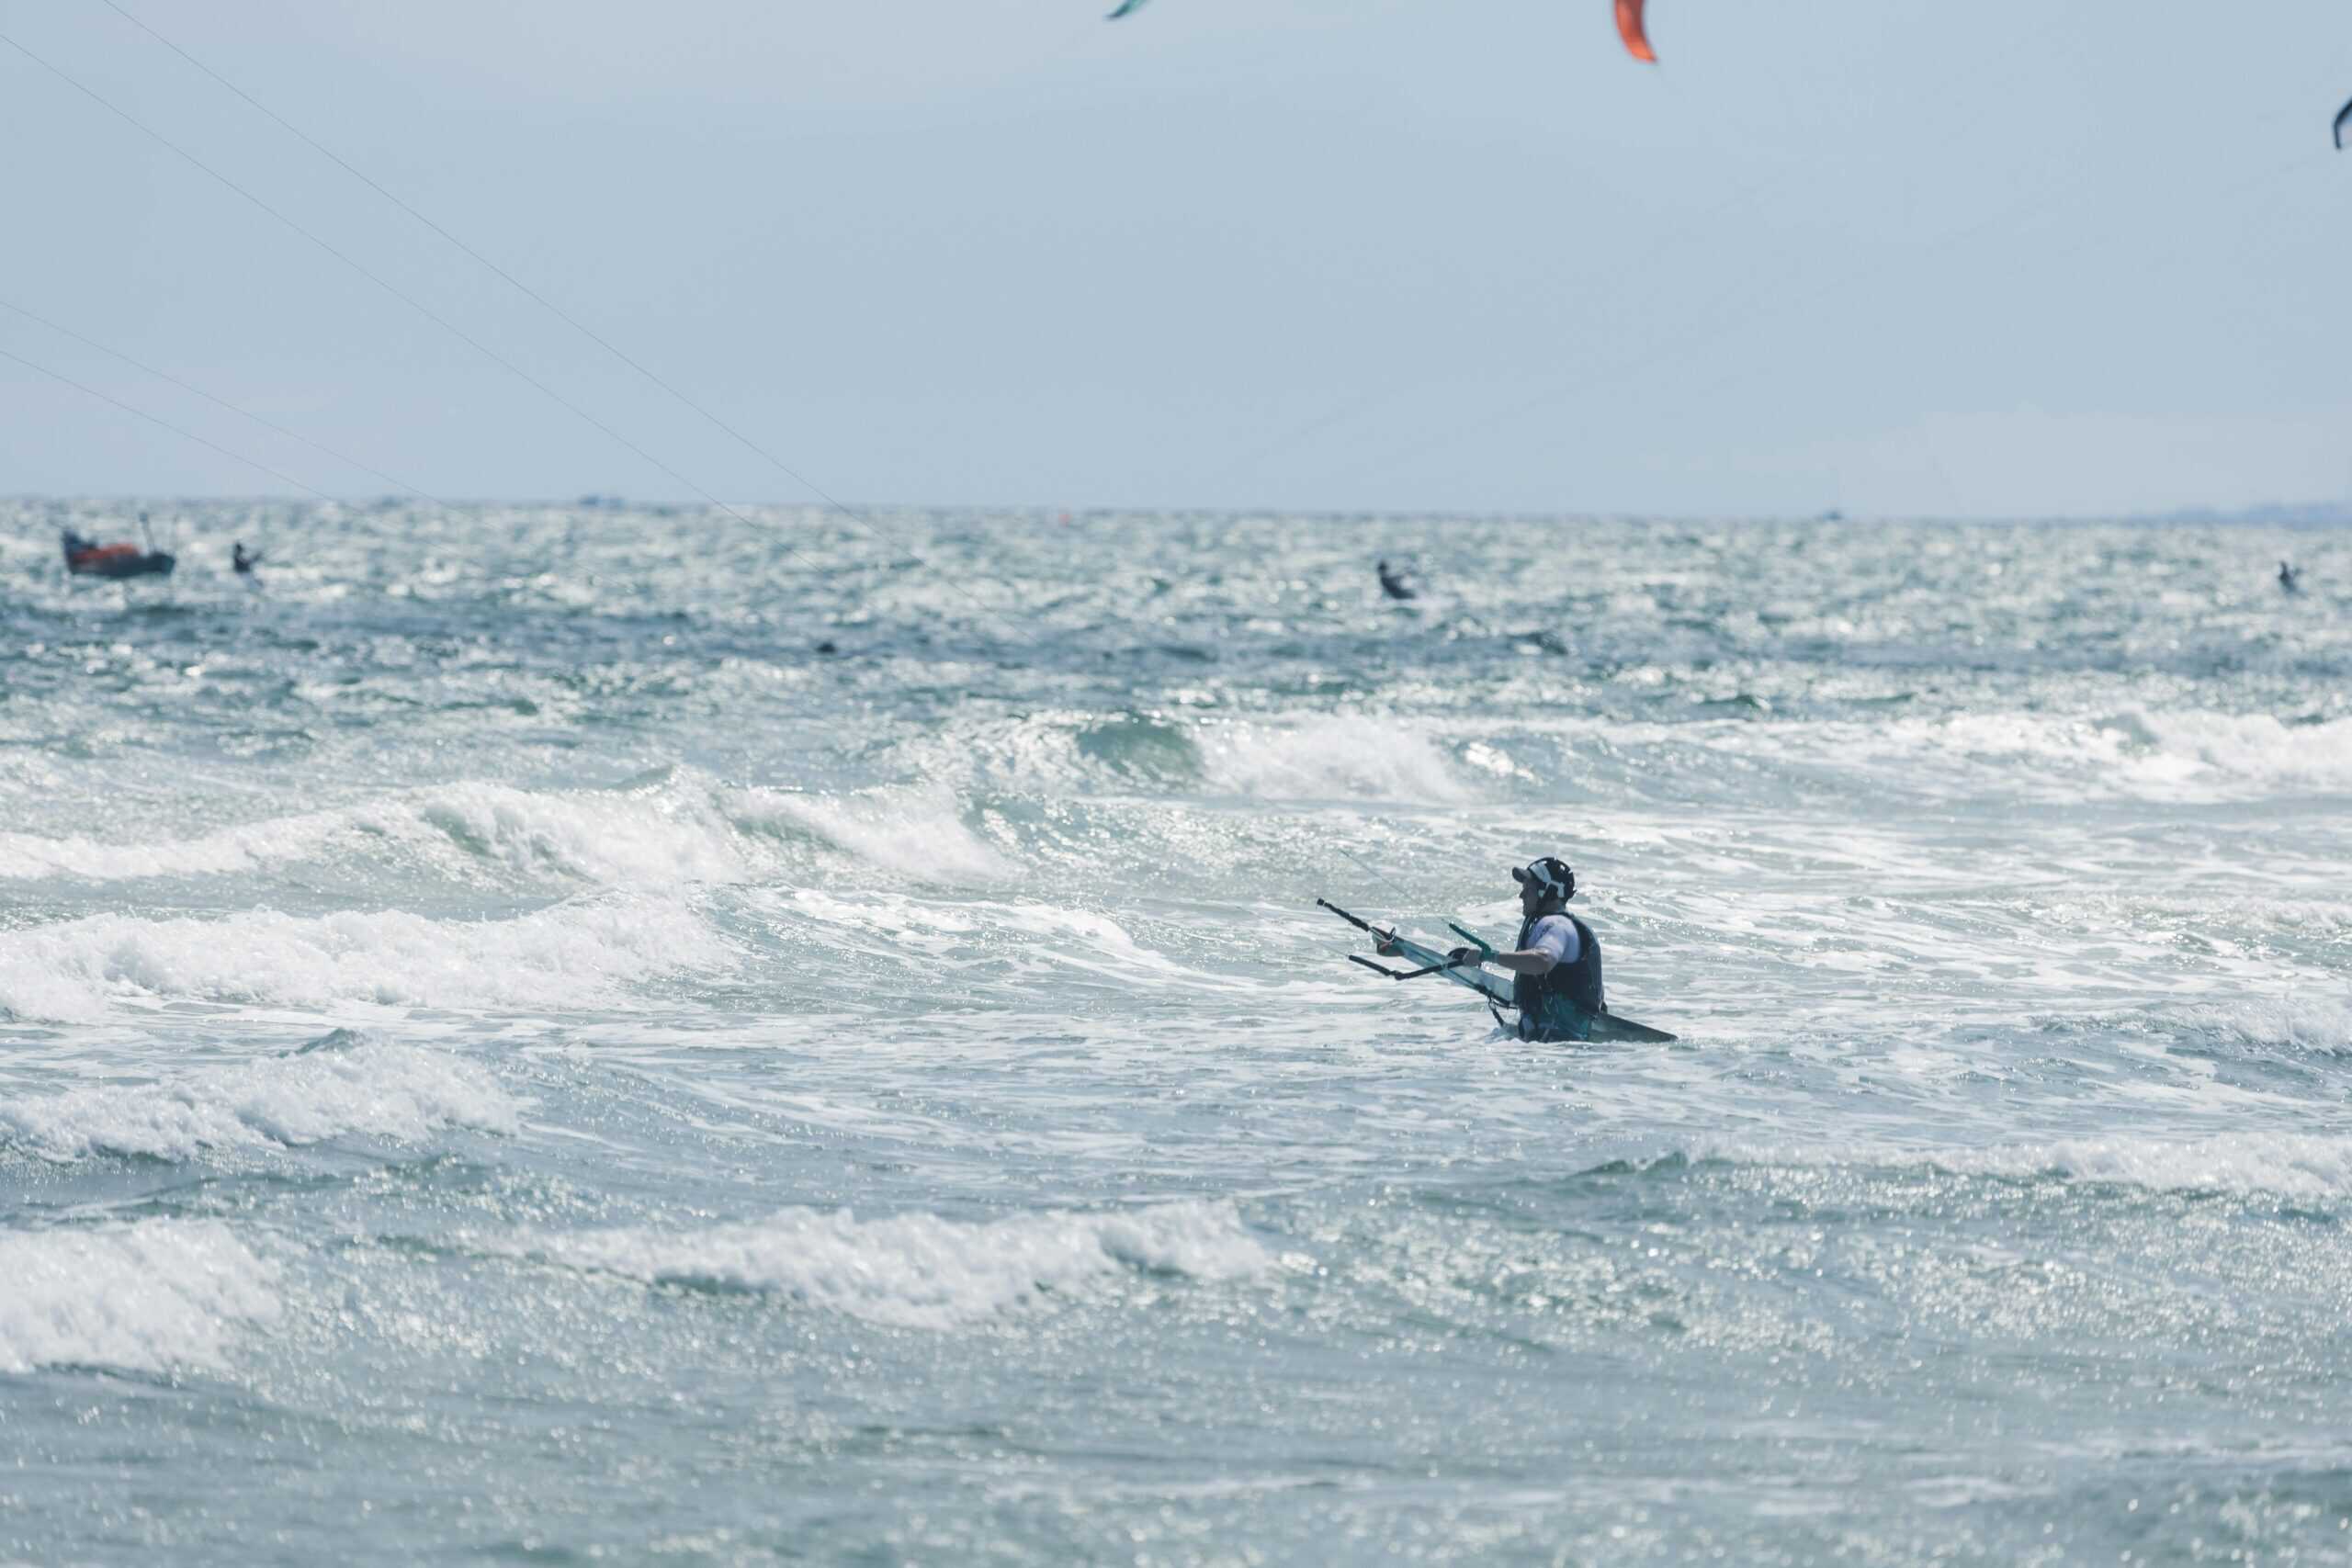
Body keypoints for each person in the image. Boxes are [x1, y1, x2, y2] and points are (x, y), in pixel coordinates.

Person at [1385, 855, 1605, 1042]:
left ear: (1548, 892)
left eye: (1528, 888)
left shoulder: (1557, 925)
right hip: (1551, 1040)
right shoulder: (1545, 925)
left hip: (1562, 1042)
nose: (1521, 895)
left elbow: (1543, 961)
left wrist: (1489, 956)